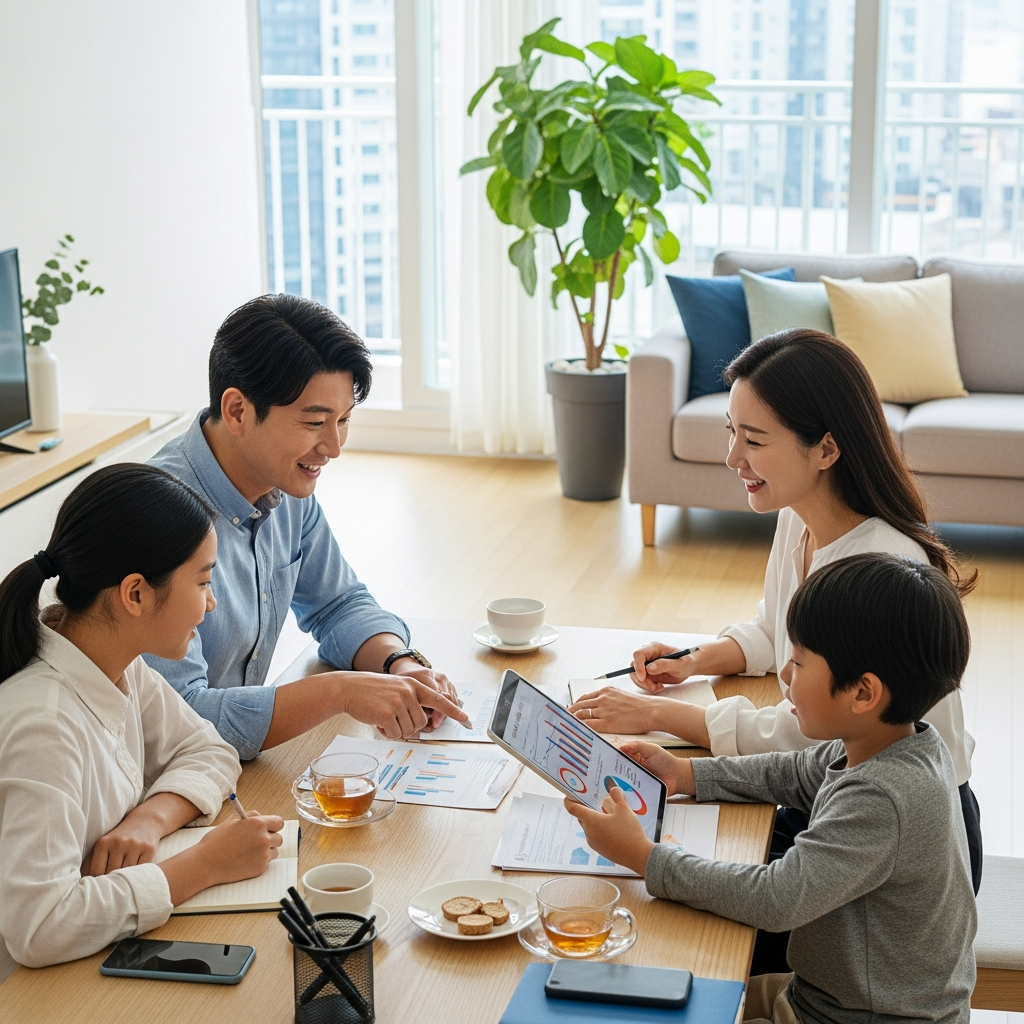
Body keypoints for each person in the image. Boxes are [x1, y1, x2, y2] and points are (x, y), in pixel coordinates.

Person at [568, 329, 982, 897]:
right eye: (732, 432)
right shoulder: (799, 514)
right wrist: (697, 660)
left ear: (827, 449)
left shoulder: (879, 565)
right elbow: (776, 628)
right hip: (832, 788)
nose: (733, 457)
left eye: (755, 441)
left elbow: (805, 732)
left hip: (900, 832)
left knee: (675, 896)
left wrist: (658, 716)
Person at [568, 552, 976, 1024]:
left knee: (648, 989)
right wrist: (686, 775)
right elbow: (795, 772)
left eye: (800, 663)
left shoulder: (882, 797)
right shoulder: (898, 741)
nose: (784, 674)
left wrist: (643, 856)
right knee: (662, 992)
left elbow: (776, 899)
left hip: (855, 1016)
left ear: (863, 693)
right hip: (837, 998)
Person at [146, 294, 469, 761]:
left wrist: (398, 663)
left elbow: (338, 603)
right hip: (146, 785)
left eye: (342, 421)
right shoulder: (159, 520)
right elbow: (178, 720)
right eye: (315, 422)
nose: (333, 447)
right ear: (237, 410)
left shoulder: (285, 487)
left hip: (224, 770)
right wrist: (339, 693)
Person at [0, 464, 285, 977]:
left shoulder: (119, 663)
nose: (212, 602)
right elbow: (38, 927)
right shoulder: (43, 725)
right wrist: (202, 866)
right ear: (135, 594)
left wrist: (150, 819)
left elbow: (209, 750)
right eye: (202, 581)